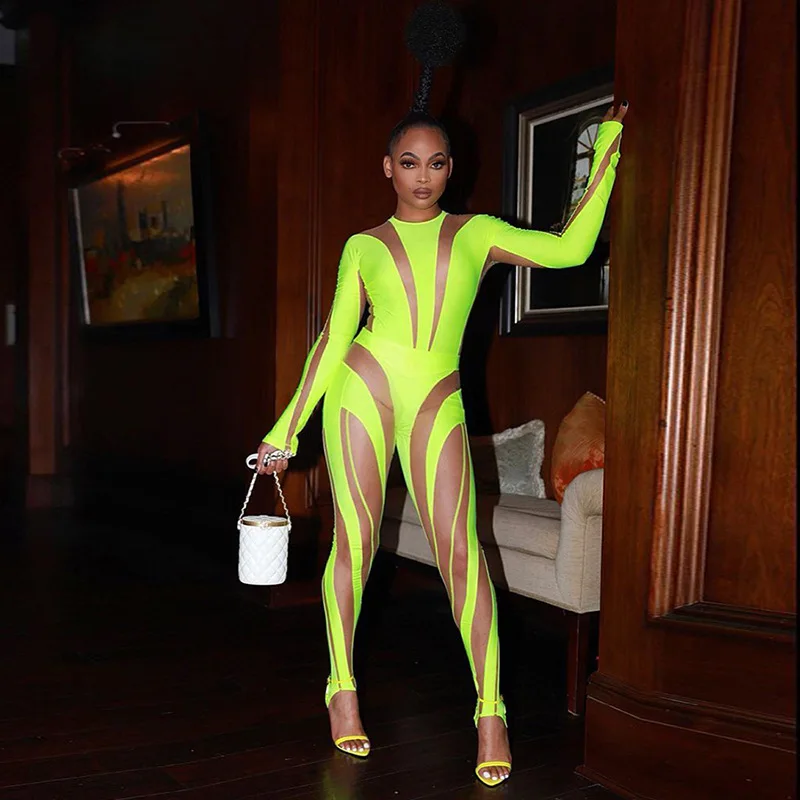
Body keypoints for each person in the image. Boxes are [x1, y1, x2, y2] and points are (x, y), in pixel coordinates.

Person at [256, 6, 626, 787]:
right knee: (355, 546)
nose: (422, 175)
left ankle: (490, 710)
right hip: (362, 387)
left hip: (436, 397)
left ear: (450, 169)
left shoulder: (477, 233)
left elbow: (571, 249)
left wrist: (608, 150)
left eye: (435, 162)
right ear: (386, 168)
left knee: (463, 555)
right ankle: (341, 690)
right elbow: (332, 339)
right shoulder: (363, 246)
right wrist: (287, 430)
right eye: (408, 162)